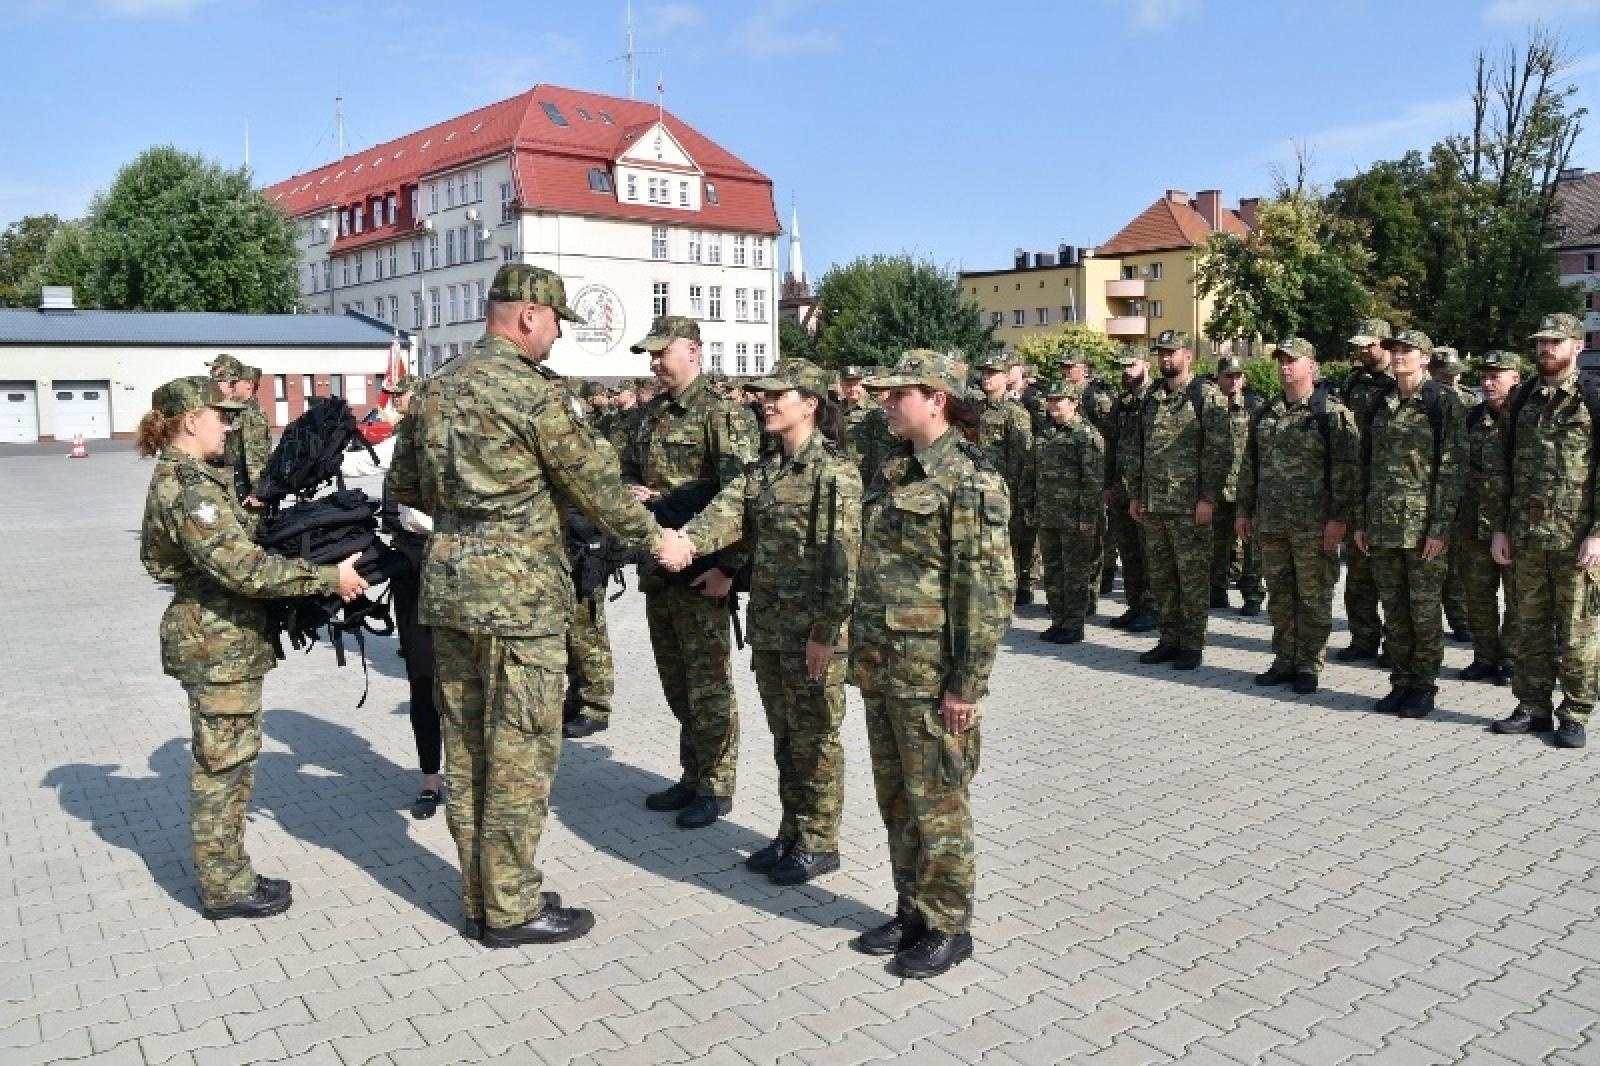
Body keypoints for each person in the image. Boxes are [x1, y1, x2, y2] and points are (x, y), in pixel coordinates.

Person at [389, 264, 686, 946]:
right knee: (521, 753)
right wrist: (659, 542)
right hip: (518, 602)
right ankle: (514, 908)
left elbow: (406, 484)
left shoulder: (436, 389)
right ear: (527, 316)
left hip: (449, 590)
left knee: (467, 754)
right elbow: (601, 492)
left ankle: (483, 895)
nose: (556, 337)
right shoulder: (533, 395)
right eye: (554, 322)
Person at [138, 375, 368, 920]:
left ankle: (229, 873)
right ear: (191, 420)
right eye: (220, 416)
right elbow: (241, 567)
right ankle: (224, 888)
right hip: (216, 645)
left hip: (224, 641)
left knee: (232, 764)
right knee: (224, 769)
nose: (229, 424)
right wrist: (324, 578)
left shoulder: (197, 478)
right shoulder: (189, 488)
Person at [848, 350, 1013, 979]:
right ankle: (912, 906)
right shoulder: (892, 471)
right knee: (896, 799)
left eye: (898, 394)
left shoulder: (972, 480)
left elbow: (988, 590)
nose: (885, 402)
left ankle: (949, 922)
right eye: (883, 394)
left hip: (932, 676)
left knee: (939, 801)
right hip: (883, 667)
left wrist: (966, 683)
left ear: (936, 398)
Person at [679, 358, 862, 885]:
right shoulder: (764, 471)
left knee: (816, 739)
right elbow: (725, 516)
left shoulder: (834, 473)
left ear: (809, 403)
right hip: (772, 628)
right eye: (763, 393)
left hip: (813, 633)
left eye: (778, 394)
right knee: (786, 737)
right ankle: (792, 832)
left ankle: (820, 841)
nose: (766, 401)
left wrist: (826, 635)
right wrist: (681, 542)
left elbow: (844, 561)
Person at [619, 315, 760, 830]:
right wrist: (634, 492)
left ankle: (717, 785)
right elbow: (628, 470)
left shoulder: (721, 413)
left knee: (709, 683)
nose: (655, 363)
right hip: (660, 567)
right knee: (676, 680)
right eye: (650, 355)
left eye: (663, 352)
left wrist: (729, 567)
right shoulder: (652, 413)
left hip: (704, 570)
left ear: (694, 352)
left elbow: (741, 496)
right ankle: (693, 773)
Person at [1489, 313, 1597, 749]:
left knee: (1576, 632)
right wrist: (1499, 528)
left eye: (1556, 342)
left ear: (1578, 346)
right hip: (1527, 536)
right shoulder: (1522, 399)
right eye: (1541, 342)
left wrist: (1597, 533)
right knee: (1529, 627)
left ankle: (1574, 713)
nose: (1546, 349)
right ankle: (1532, 707)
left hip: (1576, 538)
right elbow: (1502, 470)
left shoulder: (1591, 396)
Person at [341, 374, 442, 818]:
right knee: (421, 676)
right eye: (394, 396)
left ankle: (471, 777)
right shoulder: (401, 440)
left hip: (455, 565)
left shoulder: (445, 441)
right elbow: (354, 466)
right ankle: (430, 779)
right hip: (411, 567)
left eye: (401, 396)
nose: (394, 402)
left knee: (464, 681)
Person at [1236, 339, 1361, 694]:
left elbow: (1347, 471)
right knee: (1280, 595)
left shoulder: (1331, 413)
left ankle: (1308, 663)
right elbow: (1250, 466)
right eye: (1281, 361)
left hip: (1313, 525)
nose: (1285, 367)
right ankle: (1284, 659)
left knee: (1313, 596)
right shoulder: (1266, 411)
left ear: (1312, 364)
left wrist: (1339, 519)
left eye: (1293, 360)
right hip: (1272, 522)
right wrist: (1244, 510)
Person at [1354, 329, 1466, 718]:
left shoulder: (1442, 402)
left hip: (1422, 530)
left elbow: (1452, 469)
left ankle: (1424, 685)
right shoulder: (1379, 402)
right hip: (1383, 525)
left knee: (1423, 611)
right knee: (1395, 610)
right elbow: (1364, 465)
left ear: (1425, 358)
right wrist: (1361, 521)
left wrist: (1440, 528)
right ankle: (1401, 681)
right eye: (1395, 350)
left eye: (1407, 351)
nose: (1398, 356)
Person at [1127, 330, 1234, 671]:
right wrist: (1135, 494)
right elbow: (1139, 449)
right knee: (1161, 577)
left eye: (1172, 353)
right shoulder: (1153, 396)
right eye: (1161, 353)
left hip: (1190, 506)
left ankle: (1192, 643)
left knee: (1192, 578)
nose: (1166, 359)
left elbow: (1220, 450)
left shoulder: (1207, 396)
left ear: (1188, 356)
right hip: (1155, 503)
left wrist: (1208, 497)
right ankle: (1169, 638)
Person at [1456, 351, 1520, 686]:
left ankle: (1511, 660)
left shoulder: (1526, 420)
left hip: (1512, 526)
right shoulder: (1471, 418)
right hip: (1473, 524)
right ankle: (1484, 657)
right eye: (1484, 376)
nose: (1488, 382)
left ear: (1516, 379)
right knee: (1478, 598)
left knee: (1516, 600)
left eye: (1497, 375)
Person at [1337, 318, 1395, 664]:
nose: (1362, 351)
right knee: (1357, 576)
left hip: (1390, 490)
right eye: (1359, 346)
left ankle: (1395, 644)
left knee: (1391, 578)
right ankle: (1363, 638)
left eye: (1369, 345)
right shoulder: (1354, 382)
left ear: (1385, 344)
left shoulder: (1402, 383)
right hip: (1358, 486)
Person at [1030, 380, 1104, 643]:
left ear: (1074, 403)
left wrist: (1087, 516)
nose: (1052, 406)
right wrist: (1031, 506)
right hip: (1048, 514)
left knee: (1075, 573)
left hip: (1074, 518)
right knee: (1052, 570)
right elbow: (1033, 473)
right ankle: (1058, 620)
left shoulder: (1086, 435)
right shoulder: (1044, 433)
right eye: (1050, 400)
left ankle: (1074, 625)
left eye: (1058, 400)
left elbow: (1092, 480)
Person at [973, 354, 1036, 606]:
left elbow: (1025, 456)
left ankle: (1016, 589)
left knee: (1011, 543)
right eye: (984, 373)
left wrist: (1021, 493)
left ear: (1006, 377)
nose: (986, 378)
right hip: (980, 487)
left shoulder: (1014, 412)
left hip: (1007, 489)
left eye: (993, 373)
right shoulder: (977, 410)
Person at [1106, 345, 1158, 632]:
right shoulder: (1123, 403)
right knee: (1128, 552)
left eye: (1132, 365)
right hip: (1122, 489)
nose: (1126, 371)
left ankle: (1152, 608)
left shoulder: (1154, 400)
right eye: (1123, 366)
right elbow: (1112, 446)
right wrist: (1108, 484)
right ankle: (1135, 604)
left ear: (1146, 366)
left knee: (1148, 552)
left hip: (1145, 489)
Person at [1430, 346, 1476, 644]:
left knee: (1460, 570)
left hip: (1468, 496)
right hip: (1435, 496)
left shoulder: (1471, 403)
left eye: (1455, 374)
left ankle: (1462, 623)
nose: (1453, 379)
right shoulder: (1429, 403)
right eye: (1445, 375)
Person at [207, 356, 272, 528]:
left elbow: (256, 458)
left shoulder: (251, 414)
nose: (230, 385)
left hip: (244, 495)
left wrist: (259, 492)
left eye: (234, 381)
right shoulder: (235, 411)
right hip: (231, 490)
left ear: (248, 385)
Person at [839, 365, 891, 489]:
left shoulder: (875, 412)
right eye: (848, 384)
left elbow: (880, 454)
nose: (852, 389)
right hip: (839, 476)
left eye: (856, 384)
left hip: (863, 479)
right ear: (841, 384)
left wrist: (875, 484)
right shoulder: (836, 409)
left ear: (863, 384)